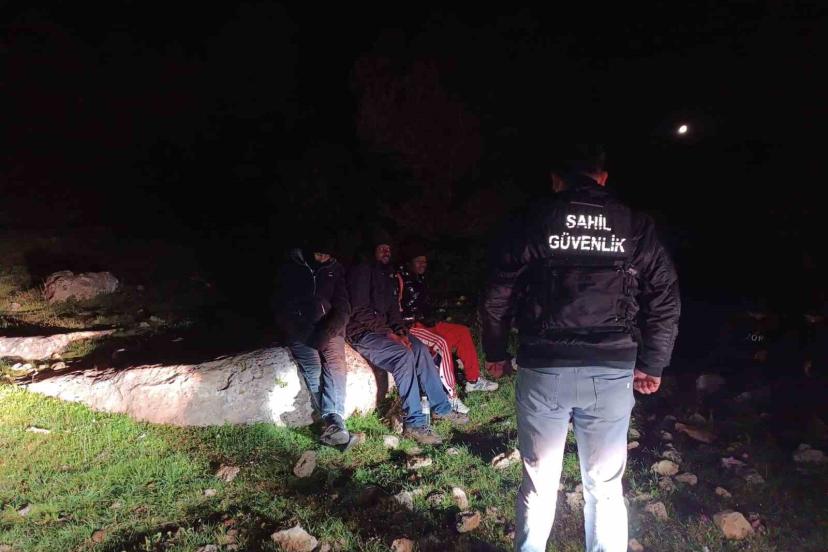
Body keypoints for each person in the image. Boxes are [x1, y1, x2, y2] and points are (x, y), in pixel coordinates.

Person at [481, 144, 681, 552]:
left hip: (544, 369)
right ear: (602, 177)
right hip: (610, 370)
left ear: (556, 180)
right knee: (605, 488)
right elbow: (664, 297)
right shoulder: (634, 225)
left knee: (538, 483)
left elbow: (496, 294)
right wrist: (653, 363)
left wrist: (496, 351)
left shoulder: (534, 220)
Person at [346, 229, 469, 445]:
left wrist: (401, 332)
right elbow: (359, 311)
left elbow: (394, 310)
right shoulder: (361, 271)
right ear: (372, 250)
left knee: (419, 348)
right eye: (382, 248)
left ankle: (441, 408)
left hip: (386, 330)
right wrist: (390, 334)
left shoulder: (388, 273)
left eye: (388, 248)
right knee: (403, 356)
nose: (386, 251)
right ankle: (415, 424)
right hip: (363, 332)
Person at [396, 242, 498, 415]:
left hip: (427, 322)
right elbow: (397, 308)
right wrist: (405, 324)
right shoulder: (399, 278)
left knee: (462, 332)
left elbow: (425, 303)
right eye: (418, 261)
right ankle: (450, 397)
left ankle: (473, 380)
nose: (423, 264)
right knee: (441, 344)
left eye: (424, 261)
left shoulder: (420, 278)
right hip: (411, 326)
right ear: (409, 262)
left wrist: (435, 312)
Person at [273, 233, 354, 449]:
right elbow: (282, 308)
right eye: (318, 254)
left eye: (327, 255)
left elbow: (343, 308)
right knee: (314, 368)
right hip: (300, 330)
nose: (322, 259)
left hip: (329, 328)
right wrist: (304, 332)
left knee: (336, 364)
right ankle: (335, 423)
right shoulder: (291, 268)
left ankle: (334, 423)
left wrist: (327, 332)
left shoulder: (335, 269)